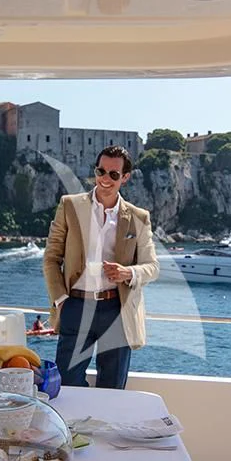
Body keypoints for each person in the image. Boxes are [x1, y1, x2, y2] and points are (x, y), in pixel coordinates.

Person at [41, 145, 159, 389]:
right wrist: (61, 299)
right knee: (67, 386)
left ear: (125, 177)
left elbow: (152, 267)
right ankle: (75, 428)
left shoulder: (138, 217)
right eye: (100, 171)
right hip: (75, 306)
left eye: (113, 174)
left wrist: (130, 273)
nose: (105, 179)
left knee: (113, 389)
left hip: (117, 309)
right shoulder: (70, 206)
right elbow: (52, 257)